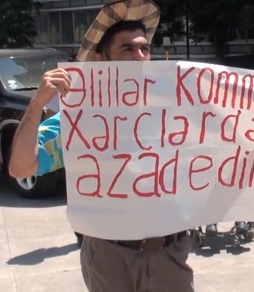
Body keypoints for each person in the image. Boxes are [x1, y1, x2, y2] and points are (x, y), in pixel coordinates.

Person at [8, 1, 196, 291]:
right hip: (110, 258)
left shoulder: (176, 109)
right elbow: (21, 166)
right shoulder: (82, 118)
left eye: (145, 48)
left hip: (171, 255)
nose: (140, 56)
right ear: (99, 60)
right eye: (128, 49)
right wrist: (37, 103)